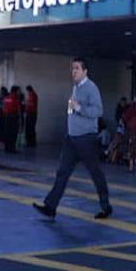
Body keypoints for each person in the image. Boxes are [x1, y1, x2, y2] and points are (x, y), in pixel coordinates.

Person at [33, 57, 112, 220]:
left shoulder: (91, 88)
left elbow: (98, 111)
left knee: (95, 173)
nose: (73, 72)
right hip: (72, 139)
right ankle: (50, 207)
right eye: (72, 69)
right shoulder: (75, 88)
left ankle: (106, 206)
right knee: (62, 173)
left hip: (86, 139)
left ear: (85, 72)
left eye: (76, 68)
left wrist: (79, 108)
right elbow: (73, 110)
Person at [2, 86, 22, 153]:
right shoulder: (15, 98)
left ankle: (7, 147)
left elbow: (4, 107)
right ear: (15, 91)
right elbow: (18, 108)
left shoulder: (7, 97)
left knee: (7, 132)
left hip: (7, 116)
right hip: (13, 116)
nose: (20, 92)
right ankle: (12, 148)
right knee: (13, 133)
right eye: (19, 90)